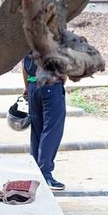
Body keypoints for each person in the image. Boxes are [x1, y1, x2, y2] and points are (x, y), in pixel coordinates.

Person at [22, 53, 66, 191]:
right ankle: (45, 173)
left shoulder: (27, 37)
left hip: (33, 86)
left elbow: (24, 65)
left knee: (36, 131)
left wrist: (27, 87)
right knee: (52, 130)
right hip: (51, 85)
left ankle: (35, 172)